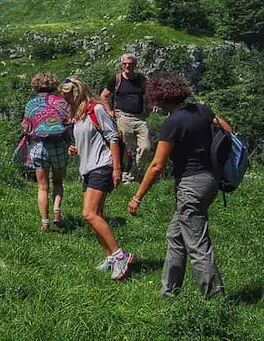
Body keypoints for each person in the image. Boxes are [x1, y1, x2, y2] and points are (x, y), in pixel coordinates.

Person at [128, 72, 226, 298]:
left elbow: (156, 166)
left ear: (161, 98)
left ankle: (216, 297)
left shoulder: (172, 123)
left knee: (197, 244)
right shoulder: (202, 110)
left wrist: (137, 197)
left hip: (191, 185)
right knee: (175, 235)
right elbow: (227, 132)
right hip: (210, 181)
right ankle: (169, 292)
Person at [59, 76, 134, 280]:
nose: (64, 99)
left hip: (103, 166)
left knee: (89, 214)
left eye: (67, 95)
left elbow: (113, 137)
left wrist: (116, 169)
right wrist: (76, 148)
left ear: (77, 92)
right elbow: (88, 140)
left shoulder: (97, 109)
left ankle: (120, 255)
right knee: (96, 215)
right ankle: (110, 257)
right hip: (88, 168)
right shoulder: (79, 115)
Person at [14, 72, 71, 232]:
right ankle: (57, 212)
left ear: (35, 85)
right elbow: (69, 123)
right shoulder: (62, 102)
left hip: (39, 147)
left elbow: (26, 127)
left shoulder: (31, 104)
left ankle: (45, 223)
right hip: (59, 146)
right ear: (54, 85)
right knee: (58, 182)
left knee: (42, 187)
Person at [100, 53, 151, 183]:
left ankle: (134, 173)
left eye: (130, 64)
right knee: (127, 150)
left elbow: (150, 96)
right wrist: (110, 112)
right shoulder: (117, 79)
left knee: (145, 147)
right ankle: (126, 176)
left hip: (139, 119)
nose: (127, 66)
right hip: (123, 118)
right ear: (121, 65)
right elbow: (104, 96)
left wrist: (148, 111)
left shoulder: (141, 79)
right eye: (125, 64)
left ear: (135, 65)